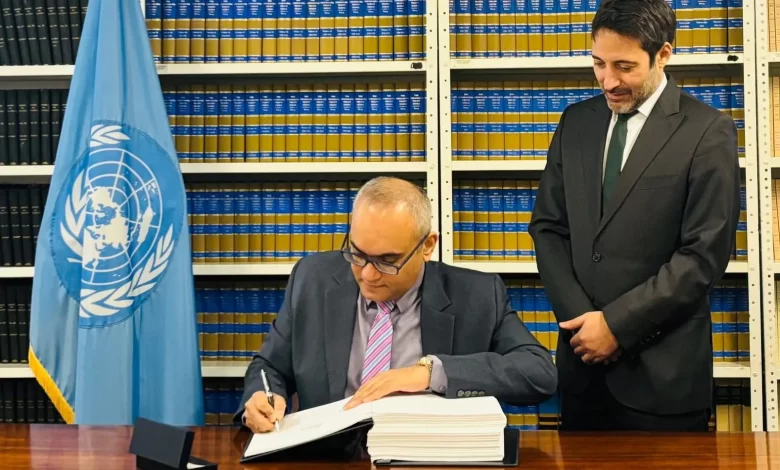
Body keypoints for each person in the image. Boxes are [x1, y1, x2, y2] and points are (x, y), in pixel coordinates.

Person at [528, 0, 740, 432]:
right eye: (598, 63)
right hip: (581, 371)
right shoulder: (575, 122)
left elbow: (703, 256)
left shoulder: (707, 131)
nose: (608, 81)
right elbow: (548, 228)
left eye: (624, 67)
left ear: (663, 54)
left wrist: (616, 326)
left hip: (663, 379)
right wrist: (584, 326)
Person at [238, 176, 557, 438]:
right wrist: (262, 397)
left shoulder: (477, 295)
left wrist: (431, 373)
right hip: (329, 458)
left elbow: (539, 373)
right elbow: (269, 367)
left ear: (427, 246)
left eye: (387, 261)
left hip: (428, 458)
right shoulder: (312, 279)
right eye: (357, 253)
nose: (367, 275)